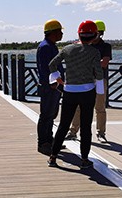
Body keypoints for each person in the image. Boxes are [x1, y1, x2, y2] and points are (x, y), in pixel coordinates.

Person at [47, 20, 104, 169]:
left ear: (79, 34)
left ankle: (53, 157)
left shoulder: (67, 49)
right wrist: (100, 90)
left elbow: (52, 64)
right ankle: (84, 159)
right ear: (94, 36)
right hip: (87, 92)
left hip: (69, 91)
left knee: (64, 125)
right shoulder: (94, 52)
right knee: (85, 126)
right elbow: (99, 73)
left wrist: (58, 78)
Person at [65, 20, 111, 143]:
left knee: (100, 107)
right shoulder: (82, 45)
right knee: (78, 107)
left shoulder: (106, 46)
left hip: (99, 80)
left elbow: (104, 63)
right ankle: (73, 131)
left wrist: (87, 64)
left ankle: (101, 132)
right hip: (83, 80)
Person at [36, 19, 65, 156]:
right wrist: (52, 82)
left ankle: (50, 139)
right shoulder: (46, 47)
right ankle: (43, 143)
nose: (61, 34)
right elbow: (45, 68)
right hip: (50, 87)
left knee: (51, 115)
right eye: (60, 31)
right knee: (46, 115)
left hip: (55, 86)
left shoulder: (51, 45)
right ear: (53, 32)